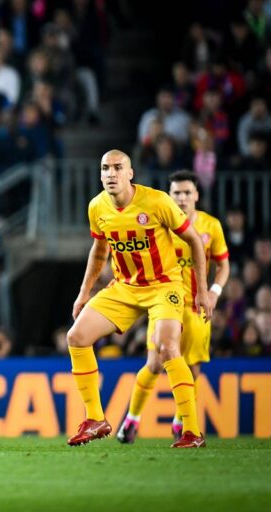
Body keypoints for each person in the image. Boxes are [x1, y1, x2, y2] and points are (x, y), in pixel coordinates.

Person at [66, 150, 212, 449]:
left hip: (163, 285)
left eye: (118, 168)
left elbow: (195, 240)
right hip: (125, 287)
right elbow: (99, 251)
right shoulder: (97, 207)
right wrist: (84, 292)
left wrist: (202, 290)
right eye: (105, 168)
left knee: (167, 346)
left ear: (130, 173)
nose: (110, 174)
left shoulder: (157, 201)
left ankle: (192, 431)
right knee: (77, 336)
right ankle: (95, 419)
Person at [117, 170, 230, 443]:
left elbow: (223, 264)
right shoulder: (160, 223)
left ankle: (182, 421)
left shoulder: (210, 226)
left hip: (196, 309)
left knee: (192, 369)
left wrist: (214, 291)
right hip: (166, 304)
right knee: (155, 363)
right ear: (170, 196)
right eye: (176, 193)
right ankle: (132, 420)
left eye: (187, 192)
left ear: (196, 196)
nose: (181, 198)